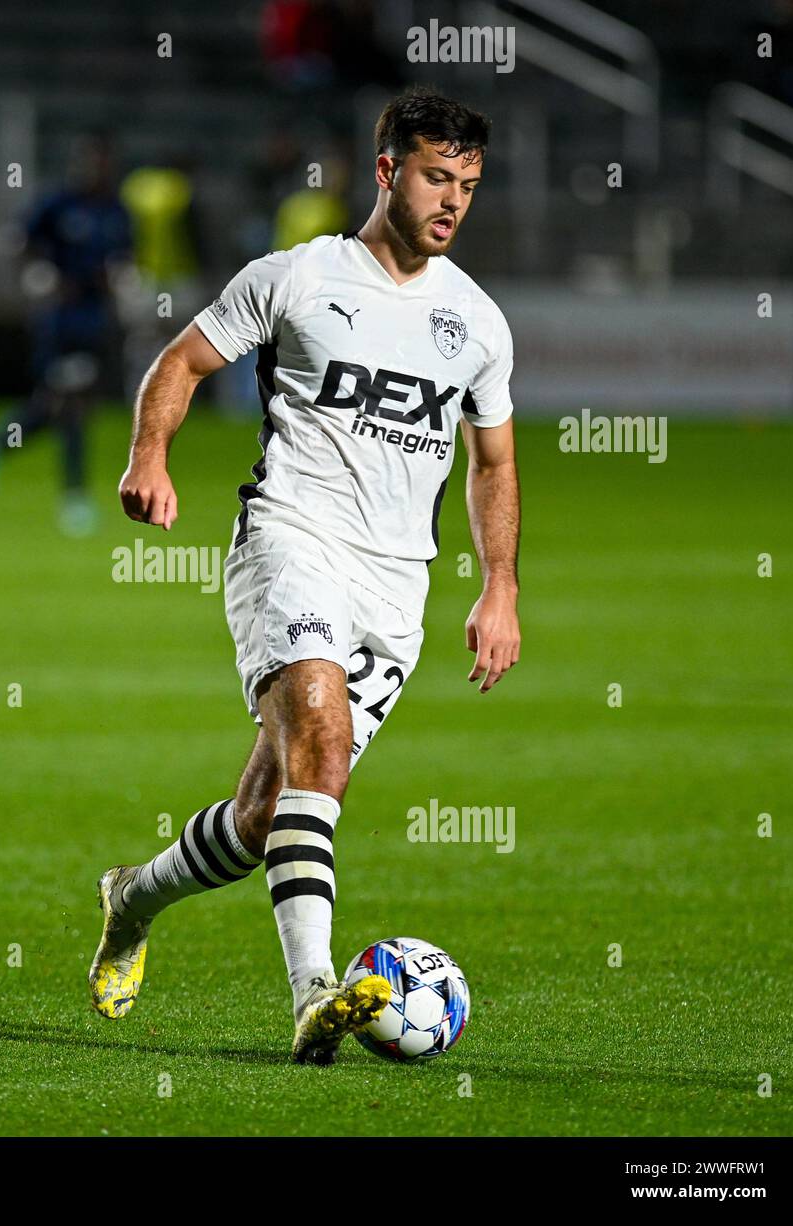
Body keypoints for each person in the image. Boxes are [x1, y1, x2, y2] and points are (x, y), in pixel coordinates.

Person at [89, 87, 521, 1063]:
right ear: (385, 172)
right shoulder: (297, 276)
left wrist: (499, 587)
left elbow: (493, 463)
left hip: (394, 593)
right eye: (434, 177)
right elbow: (180, 360)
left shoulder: (477, 322)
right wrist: (147, 456)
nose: (451, 200)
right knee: (318, 747)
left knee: (261, 814)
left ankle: (133, 895)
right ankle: (313, 993)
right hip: (288, 540)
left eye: (466, 184)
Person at [0, 134, 132, 536]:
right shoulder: (58, 204)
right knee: (69, 405)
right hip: (59, 320)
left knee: (60, 406)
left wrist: (120, 285)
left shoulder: (116, 211)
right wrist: (41, 276)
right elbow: (17, 240)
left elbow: (123, 259)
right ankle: (75, 500)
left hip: (93, 318)